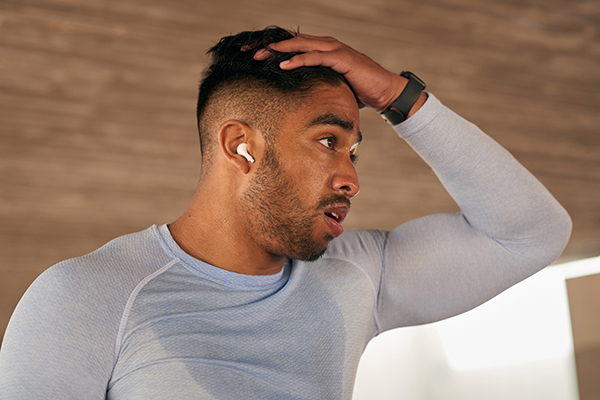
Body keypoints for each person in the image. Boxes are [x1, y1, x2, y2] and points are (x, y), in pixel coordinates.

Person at [0, 26, 571, 399]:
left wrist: (400, 97)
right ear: (241, 146)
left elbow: (531, 235)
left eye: (354, 150)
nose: (351, 176)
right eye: (329, 140)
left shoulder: (355, 276)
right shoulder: (87, 296)